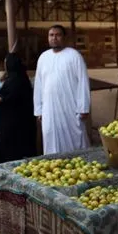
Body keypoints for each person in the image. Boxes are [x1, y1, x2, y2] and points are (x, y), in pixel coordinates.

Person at [34, 25, 90, 155]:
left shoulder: (74, 56)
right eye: (51, 35)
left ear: (64, 37)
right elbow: (38, 84)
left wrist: (83, 107)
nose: (54, 38)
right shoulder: (43, 57)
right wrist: (38, 109)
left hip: (70, 108)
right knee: (51, 138)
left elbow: (83, 82)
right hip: (49, 109)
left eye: (58, 35)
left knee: (75, 140)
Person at [0, 53, 36, 163]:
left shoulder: (14, 80)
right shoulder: (21, 78)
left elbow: (8, 97)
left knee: (12, 151)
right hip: (22, 123)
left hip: (12, 125)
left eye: (6, 64)